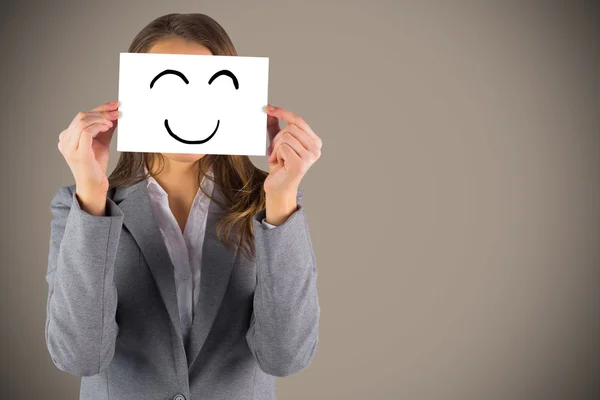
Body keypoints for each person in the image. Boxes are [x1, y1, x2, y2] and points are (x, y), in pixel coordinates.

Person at [45, 13, 322, 400]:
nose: (191, 111)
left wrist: (279, 199)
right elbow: (79, 357)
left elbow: (286, 357)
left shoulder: (272, 204)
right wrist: (91, 194)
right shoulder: (80, 207)